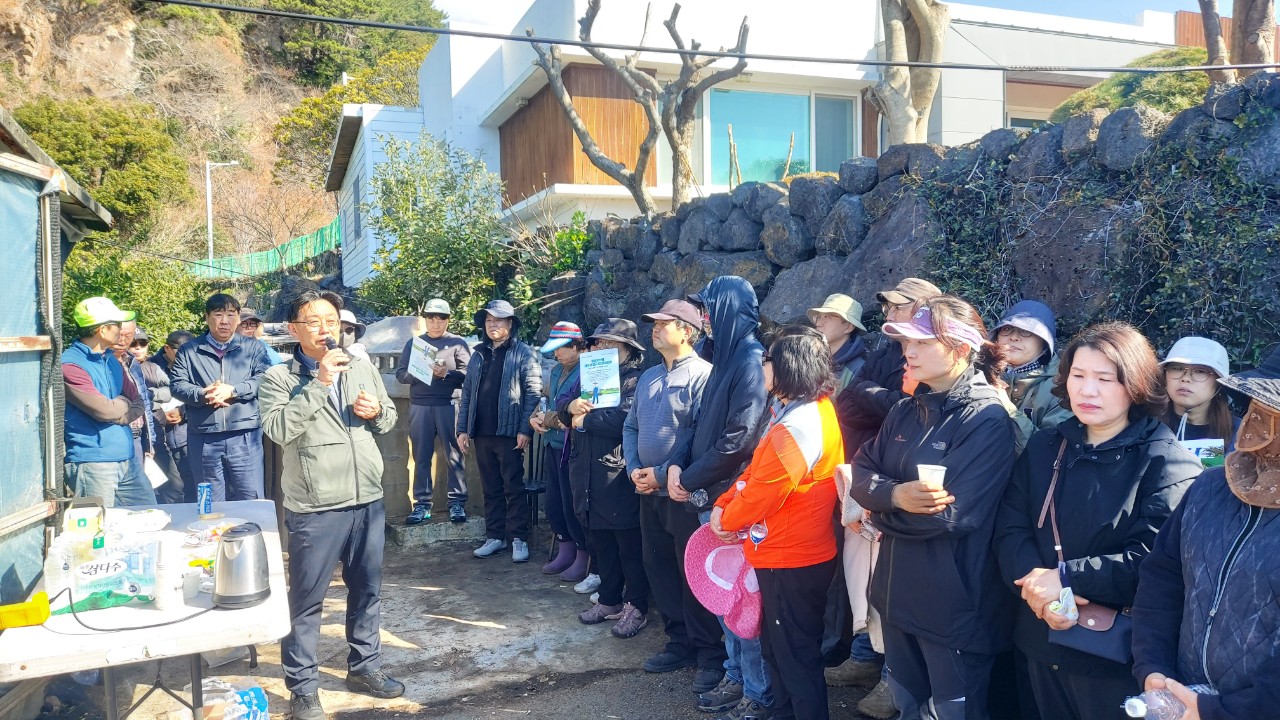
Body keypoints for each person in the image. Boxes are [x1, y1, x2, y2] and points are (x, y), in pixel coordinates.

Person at [993, 322, 1201, 720]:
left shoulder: (1167, 462)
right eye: (1078, 375)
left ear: (1136, 385)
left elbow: (1154, 562)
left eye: (1105, 379)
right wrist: (1037, 587)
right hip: (1036, 636)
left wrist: (1066, 578)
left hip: (1112, 656)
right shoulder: (1046, 445)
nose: (1088, 391)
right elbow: (1010, 526)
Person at [848, 295, 1019, 720]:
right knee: (907, 705)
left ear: (961, 348)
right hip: (895, 596)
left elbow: (951, 516)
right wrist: (895, 496)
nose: (909, 350)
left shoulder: (987, 419)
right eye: (908, 341)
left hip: (953, 609)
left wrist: (878, 508)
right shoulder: (906, 409)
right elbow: (861, 472)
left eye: (922, 342)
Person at [259, 290, 402, 720]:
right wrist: (319, 383)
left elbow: (389, 417)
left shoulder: (360, 365)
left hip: (367, 498)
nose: (326, 329)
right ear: (293, 330)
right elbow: (278, 430)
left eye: (332, 321)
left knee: (367, 590)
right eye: (314, 321)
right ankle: (303, 688)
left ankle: (365, 667)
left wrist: (376, 412)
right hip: (315, 505)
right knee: (307, 600)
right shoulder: (279, 378)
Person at [1132, 345, 1280, 720]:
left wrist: (1219, 711)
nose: (1257, 423)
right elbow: (1163, 576)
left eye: (1272, 412)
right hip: (1179, 699)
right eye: (1256, 406)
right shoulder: (1210, 487)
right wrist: (1153, 667)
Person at [710, 326, 845, 720]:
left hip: (790, 555)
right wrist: (725, 502)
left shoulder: (797, 424)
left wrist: (726, 516)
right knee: (782, 650)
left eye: (767, 359)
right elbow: (757, 474)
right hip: (793, 551)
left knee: (794, 656)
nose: (762, 366)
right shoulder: (803, 411)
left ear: (788, 367)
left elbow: (764, 492)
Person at [828, 277, 940, 720]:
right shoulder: (884, 351)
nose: (889, 315)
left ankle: (893, 678)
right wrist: (877, 397)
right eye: (888, 308)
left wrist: (869, 394)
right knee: (863, 575)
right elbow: (850, 404)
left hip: (903, 479)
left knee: (891, 581)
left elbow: (900, 407)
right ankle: (864, 657)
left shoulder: (927, 358)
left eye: (898, 307)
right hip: (869, 471)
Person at [670, 276, 770, 707]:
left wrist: (688, 477)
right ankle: (737, 677)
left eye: (709, 308)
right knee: (725, 599)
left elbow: (740, 440)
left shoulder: (750, 359)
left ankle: (755, 691)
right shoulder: (724, 356)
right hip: (712, 496)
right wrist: (677, 465)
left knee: (743, 603)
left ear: (728, 310)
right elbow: (696, 424)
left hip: (733, 501)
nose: (704, 318)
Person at [622, 300, 715, 687]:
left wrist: (660, 475)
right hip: (647, 493)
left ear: (687, 331)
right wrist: (633, 469)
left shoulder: (704, 376)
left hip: (683, 495)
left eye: (664, 324)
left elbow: (700, 440)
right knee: (659, 567)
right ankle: (679, 642)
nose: (655, 329)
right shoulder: (648, 377)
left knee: (693, 573)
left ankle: (710, 654)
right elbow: (630, 427)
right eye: (654, 323)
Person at [563, 320, 649, 639]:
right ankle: (609, 599)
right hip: (587, 473)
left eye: (611, 343)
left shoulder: (636, 379)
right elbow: (562, 407)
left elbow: (624, 418)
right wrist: (570, 406)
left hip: (616, 472)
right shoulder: (587, 375)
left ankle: (636, 605)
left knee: (628, 543)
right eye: (599, 343)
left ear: (628, 349)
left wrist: (584, 420)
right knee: (602, 542)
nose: (602, 348)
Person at [457, 299, 542, 562]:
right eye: (488, 320)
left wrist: (525, 429)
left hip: (510, 433)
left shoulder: (524, 353)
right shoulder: (478, 354)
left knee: (513, 487)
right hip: (481, 432)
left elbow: (533, 393)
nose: (492, 325)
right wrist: (462, 429)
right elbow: (467, 393)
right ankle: (495, 536)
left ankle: (518, 538)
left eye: (498, 320)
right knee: (490, 487)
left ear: (510, 324)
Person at [170, 293, 274, 501]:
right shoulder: (190, 350)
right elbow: (177, 385)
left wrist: (233, 390)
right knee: (209, 501)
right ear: (207, 317)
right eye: (218, 315)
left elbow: (264, 378)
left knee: (251, 497)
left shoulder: (253, 347)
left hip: (245, 435)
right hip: (203, 435)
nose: (224, 321)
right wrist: (203, 394)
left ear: (238, 318)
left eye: (231, 314)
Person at [61, 297, 151, 507]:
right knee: (97, 525)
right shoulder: (70, 365)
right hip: (92, 464)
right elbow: (103, 410)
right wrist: (122, 404)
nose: (121, 329)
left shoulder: (111, 360)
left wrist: (120, 415)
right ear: (102, 330)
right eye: (117, 324)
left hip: (128, 459)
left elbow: (138, 402)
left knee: (150, 516)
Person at [396, 299, 472, 524]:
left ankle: (457, 503)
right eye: (431, 319)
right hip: (420, 405)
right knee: (421, 456)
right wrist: (418, 373)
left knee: (454, 454)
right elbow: (400, 374)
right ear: (425, 320)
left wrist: (446, 374)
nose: (436, 324)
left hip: (449, 404)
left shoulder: (457, 343)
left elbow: (469, 374)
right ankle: (421, 504)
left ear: (448, 320)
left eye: (441, 319)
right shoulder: (415, 343)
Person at [529, 321, 589, 579]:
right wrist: (534, 417)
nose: (556, 353)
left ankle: (582, 554)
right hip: (551, 445)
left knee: (573, 504)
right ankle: (565, 549)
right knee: (554, 503)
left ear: (576, 346)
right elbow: (545, 399)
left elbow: (572, 416)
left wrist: (548, 418)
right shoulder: (556, 370)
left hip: (572, 448)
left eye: (561, 348)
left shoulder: (587, 371)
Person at [991, 300, 1073, 444]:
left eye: (1026, 331)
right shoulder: (980, 373)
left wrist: (1006, 407)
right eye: (1007, 329)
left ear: (1044, 342)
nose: (1014, 337)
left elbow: (1049, 448)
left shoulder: (1062, 388)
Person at [1160, 336, 1241, 461]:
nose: (1185, 378)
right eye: (1176, 368)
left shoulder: (1240, 434)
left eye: (1200, 371)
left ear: (1219, 383)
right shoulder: (1145, 426)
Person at [151, 330, 197, 504]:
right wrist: (161, 414)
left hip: (186, 434)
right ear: (167, 348)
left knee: (191, 481)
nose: (185, 356)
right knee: (171, 488)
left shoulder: (195, 365)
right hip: (160, 437)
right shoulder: (151, 367)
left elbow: (200, 395)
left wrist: (183, 412)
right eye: (180, 351)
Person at [112, 321, 158, 493]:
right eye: (119, 335)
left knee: (143, 496)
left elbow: (144, 402)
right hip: (115, 437)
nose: (123, 340)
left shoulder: (132, 362)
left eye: (129, 336)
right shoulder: (100, 362)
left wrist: (150, 443)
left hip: (138, 438)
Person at [808, 293, 868, 392]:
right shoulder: (808, 359)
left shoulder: (857, 370)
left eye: (827, 317)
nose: (818, 323)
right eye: (819, 317)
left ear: (848, 327)